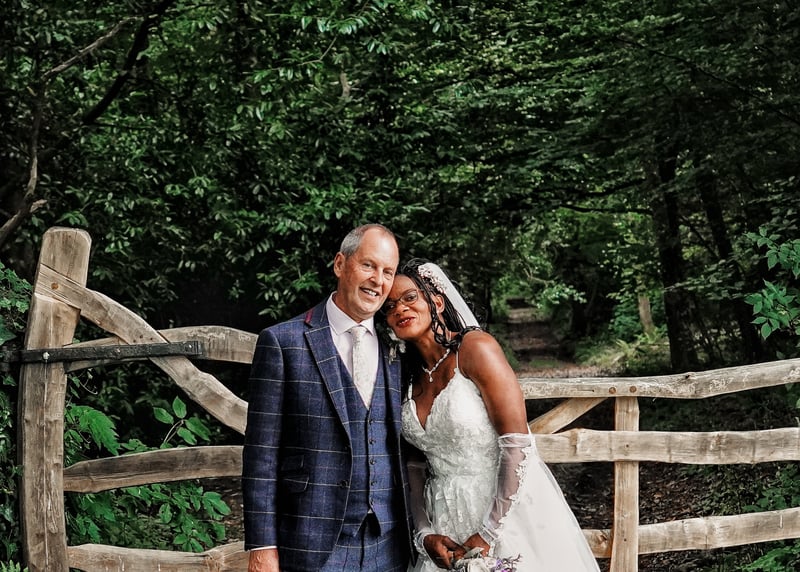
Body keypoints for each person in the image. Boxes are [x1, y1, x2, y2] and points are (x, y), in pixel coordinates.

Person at [383, 259, 600, 571]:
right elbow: (414, 464)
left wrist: (488, 532)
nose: (400, 309)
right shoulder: (402, 376)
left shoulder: (475, 349)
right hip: (443, 517)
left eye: (409, 297)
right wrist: (424, 532)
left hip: (503, 512)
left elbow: (517, 445)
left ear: (438, 302)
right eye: (389, 306)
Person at [242, 224, 413, 572]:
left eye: (388, 272)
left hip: (390, 545)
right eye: (368, 265)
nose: (378, 280)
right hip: (312, 544)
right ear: (340, 264)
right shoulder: (283, 342)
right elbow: (261, 454)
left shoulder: (398, 346)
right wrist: (262, 547)